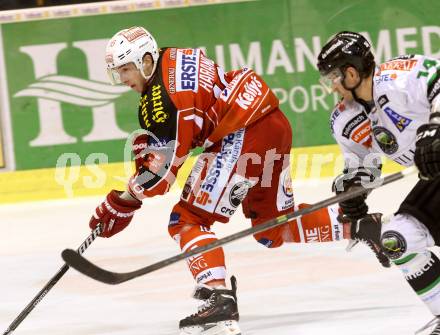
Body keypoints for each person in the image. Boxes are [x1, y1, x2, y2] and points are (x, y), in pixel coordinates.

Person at [90, 26, 386, 335]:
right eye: (117, 73)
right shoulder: (171, 56)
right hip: (270, 121)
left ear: (146, 60)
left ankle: (219, 299)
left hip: (242, 134)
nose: (122, 79)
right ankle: (363, 226)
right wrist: (151, 151)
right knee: (272, 227)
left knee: (186, 220)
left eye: (126, 69)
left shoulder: (162, 102)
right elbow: (188, 123)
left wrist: (124, 200)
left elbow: (160, 178)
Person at [317, 31, 440, 334]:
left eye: (333, 76)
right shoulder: (346, 118)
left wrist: (436, 127)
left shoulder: (399, 78)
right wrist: (353, 191)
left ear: (351, 72)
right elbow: (364, 166)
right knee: (396, 238)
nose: (331, 85)